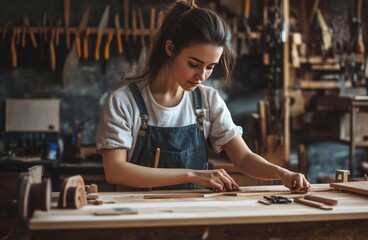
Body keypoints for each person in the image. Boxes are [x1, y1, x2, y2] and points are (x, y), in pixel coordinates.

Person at [96, 0, 311, 192]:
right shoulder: (124, 102)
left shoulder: (208, 101)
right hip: (139, 218)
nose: (202, 76)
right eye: (194, 64)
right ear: (170, 48)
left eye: (210, 67)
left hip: (194, 215)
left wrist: (281, 173)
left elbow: (243, 158)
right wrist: (192, 174)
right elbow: (116, 171)